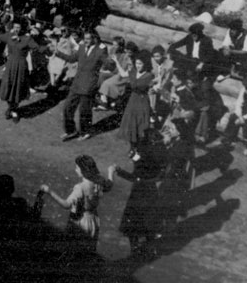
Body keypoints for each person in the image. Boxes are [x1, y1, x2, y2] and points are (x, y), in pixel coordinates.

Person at [108, 129, 164, 257]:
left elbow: (135, 177)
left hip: (139, 192)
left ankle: (135, 247)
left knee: (132, 220)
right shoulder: (158, 155)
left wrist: (119, 170)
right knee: (149, 221)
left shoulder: (142, 162)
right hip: (151, 191)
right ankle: (151, 248)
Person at [40, 155, 112, 248]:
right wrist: (111, 172)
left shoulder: (80, 188)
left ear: (83, 170)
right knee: (89, 250)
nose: (75, 170)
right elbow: (109, 186)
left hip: (81, 221)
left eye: (77, 168)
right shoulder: (99, 180)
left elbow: (66, 204)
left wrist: (49, 191)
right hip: (93, 221)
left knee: (75, 249)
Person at [0, 18, 44, 121]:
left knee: (18, 88)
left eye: (18, 27)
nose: (16, 29)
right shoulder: (9, 36)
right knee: (8, 88)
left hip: (22, 66)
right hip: (10, 65)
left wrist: (51, 48)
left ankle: (13, 110)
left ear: (23, 28)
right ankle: (12, 108)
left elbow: (38, 48)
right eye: (15, 27)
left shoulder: (27, 39)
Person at [58, 31, 108, 141]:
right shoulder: (81, 47)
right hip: (77, 82)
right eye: (85, 38)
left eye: (88, 39)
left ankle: (85, 132)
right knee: (67, 107)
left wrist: (109, 57)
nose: (86, 41)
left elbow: (108, 63)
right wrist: (57, 53)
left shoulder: (100, 50)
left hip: (89, 84)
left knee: (84, 111)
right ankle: (71, 130)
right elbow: (72, 59)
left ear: (94, 39)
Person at [117, 50, 155, 158]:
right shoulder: (133, 71)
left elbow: (145, 89)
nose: (138, 66)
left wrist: (152, 108)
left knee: (140, 126)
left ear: (146, 64)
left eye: (140, 64)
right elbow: (123, 74)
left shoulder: (149, 75)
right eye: (137, 63)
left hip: (142, 102)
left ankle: (139, 149)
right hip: (133, 101)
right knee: (131, 124)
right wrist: (116, 62)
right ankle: (132, 147)